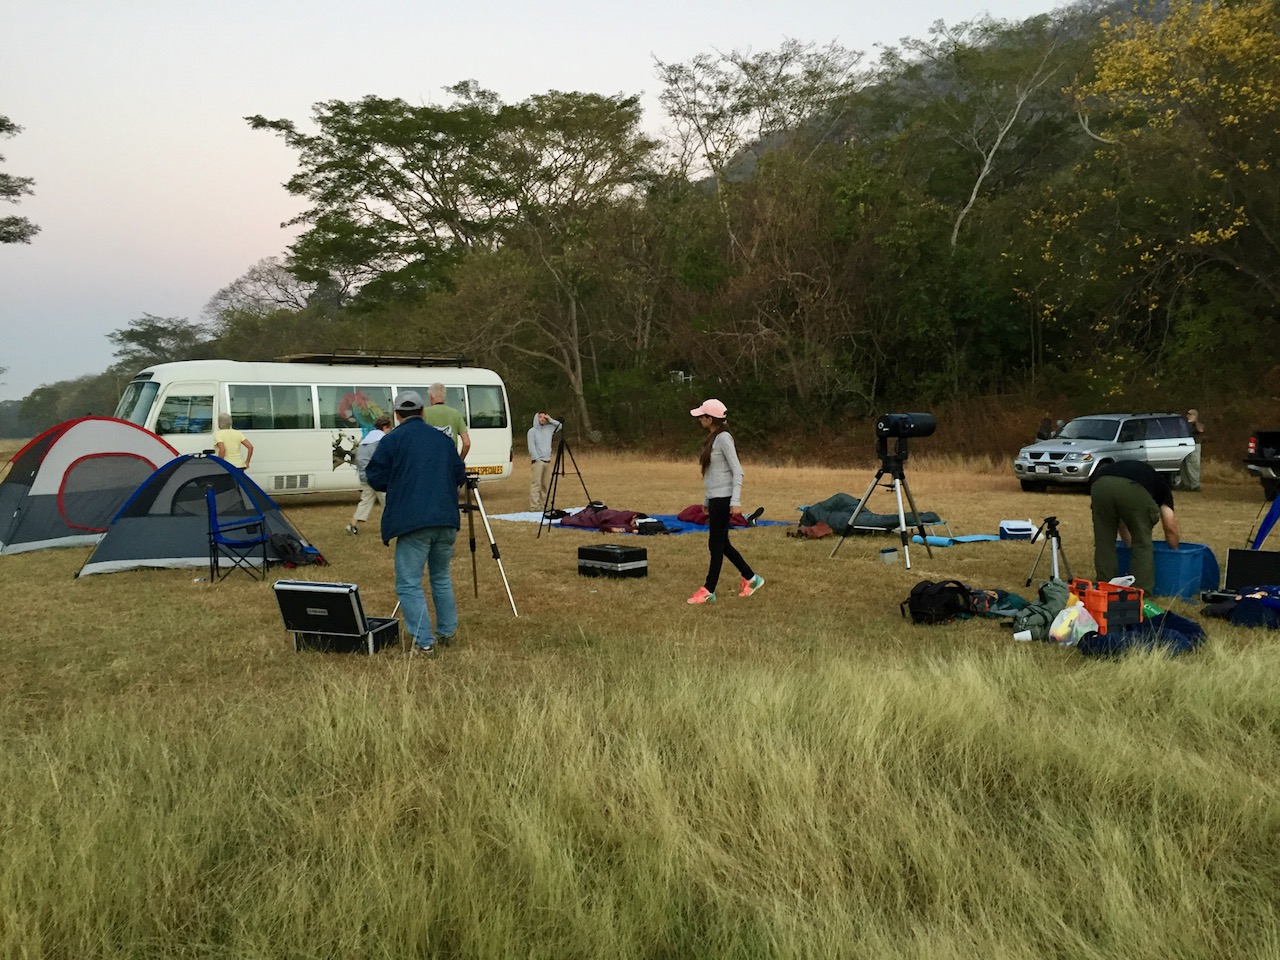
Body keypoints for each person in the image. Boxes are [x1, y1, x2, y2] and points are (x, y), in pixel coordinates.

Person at [366, 390, 468, 655]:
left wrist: (399, 483)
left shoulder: (392, 441)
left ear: (397, 416)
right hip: (446, 519)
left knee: (409, 582)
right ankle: (446, 631)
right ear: (423, 413)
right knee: (441, 577)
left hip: (413, 522)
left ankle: (424, 642)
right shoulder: (443, 440)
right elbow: (460, 474)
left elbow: (375, 477)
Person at [687, 398, 764, 604]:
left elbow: (737, 471)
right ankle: (751, 578)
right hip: (715, 499)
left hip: (724, 500)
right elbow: (714, 474)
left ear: (710, 418)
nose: (699, 419)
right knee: (723, 544)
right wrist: (706, 498)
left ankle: (708, 589)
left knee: (716, 545)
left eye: (702, 416)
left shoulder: (724, 439)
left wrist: (735, 501)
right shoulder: (713, 438)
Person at [1090, 459, 1180, 594]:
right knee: (1142, 543)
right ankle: (1140, 590)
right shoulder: (1162, 487)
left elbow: (1121, 523)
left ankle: (1105, 586)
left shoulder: (1137, 472)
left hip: (1100, 484)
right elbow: (1170, 528)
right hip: (1133, 488)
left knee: (1104, 541)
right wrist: (1176, 552)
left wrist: (1129, 545)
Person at [346, 415, 392, 535]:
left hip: (364, 476)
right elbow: (384, 459)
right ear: (385, 427)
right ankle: (390, 528)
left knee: (365, 501)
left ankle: (352, 525)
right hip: (377, 477)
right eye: (389, 428)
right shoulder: (382, 440)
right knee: (388, 502)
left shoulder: (366, 439)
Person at [420, 382, 471, 462]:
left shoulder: (424, 413)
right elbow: (466, 443)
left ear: (431, 397)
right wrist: (459, 460)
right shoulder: (455, 413)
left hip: (430, 462)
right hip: (450, 462)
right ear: (444, 397)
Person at [527, 411, 563, 511]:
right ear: (536, 418)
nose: (542, 419)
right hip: (538, 461)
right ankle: (534, 506)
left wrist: (550, 419)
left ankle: (544, 506)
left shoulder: (549, 429)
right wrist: (537, 459)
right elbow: (531, 446)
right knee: (536, 484)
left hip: (547, 461)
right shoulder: (532, 431)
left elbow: (560, 426)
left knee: (545, 485)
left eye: (544, 417)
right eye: (540, 417)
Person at [1180, 408, 1205, 492]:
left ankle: (1195, 485)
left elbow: (1200, 430)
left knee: (1193, 465)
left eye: (1190, 415)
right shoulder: (1184, 424)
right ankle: (1187, 485)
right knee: (1183, 465)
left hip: (1194, 446)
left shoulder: (1198, 425)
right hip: (1185, 446)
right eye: (1188, 414)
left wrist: (1194, 422)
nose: (1188, 416)